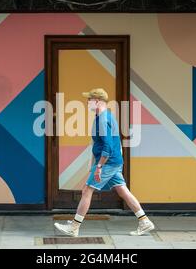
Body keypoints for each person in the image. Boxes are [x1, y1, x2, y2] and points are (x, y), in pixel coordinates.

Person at [54, 88, 155, 237]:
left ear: (97, 101)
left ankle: (74, 227)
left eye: (89, 100)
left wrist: (99, 166)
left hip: (108, 162)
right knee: (122, 190)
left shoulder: (102, 119)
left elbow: (107, 146)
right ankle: (144, 221)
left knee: (87, 190)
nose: (87, 103)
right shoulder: (107, 116)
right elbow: (114, 142)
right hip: (114, 161)